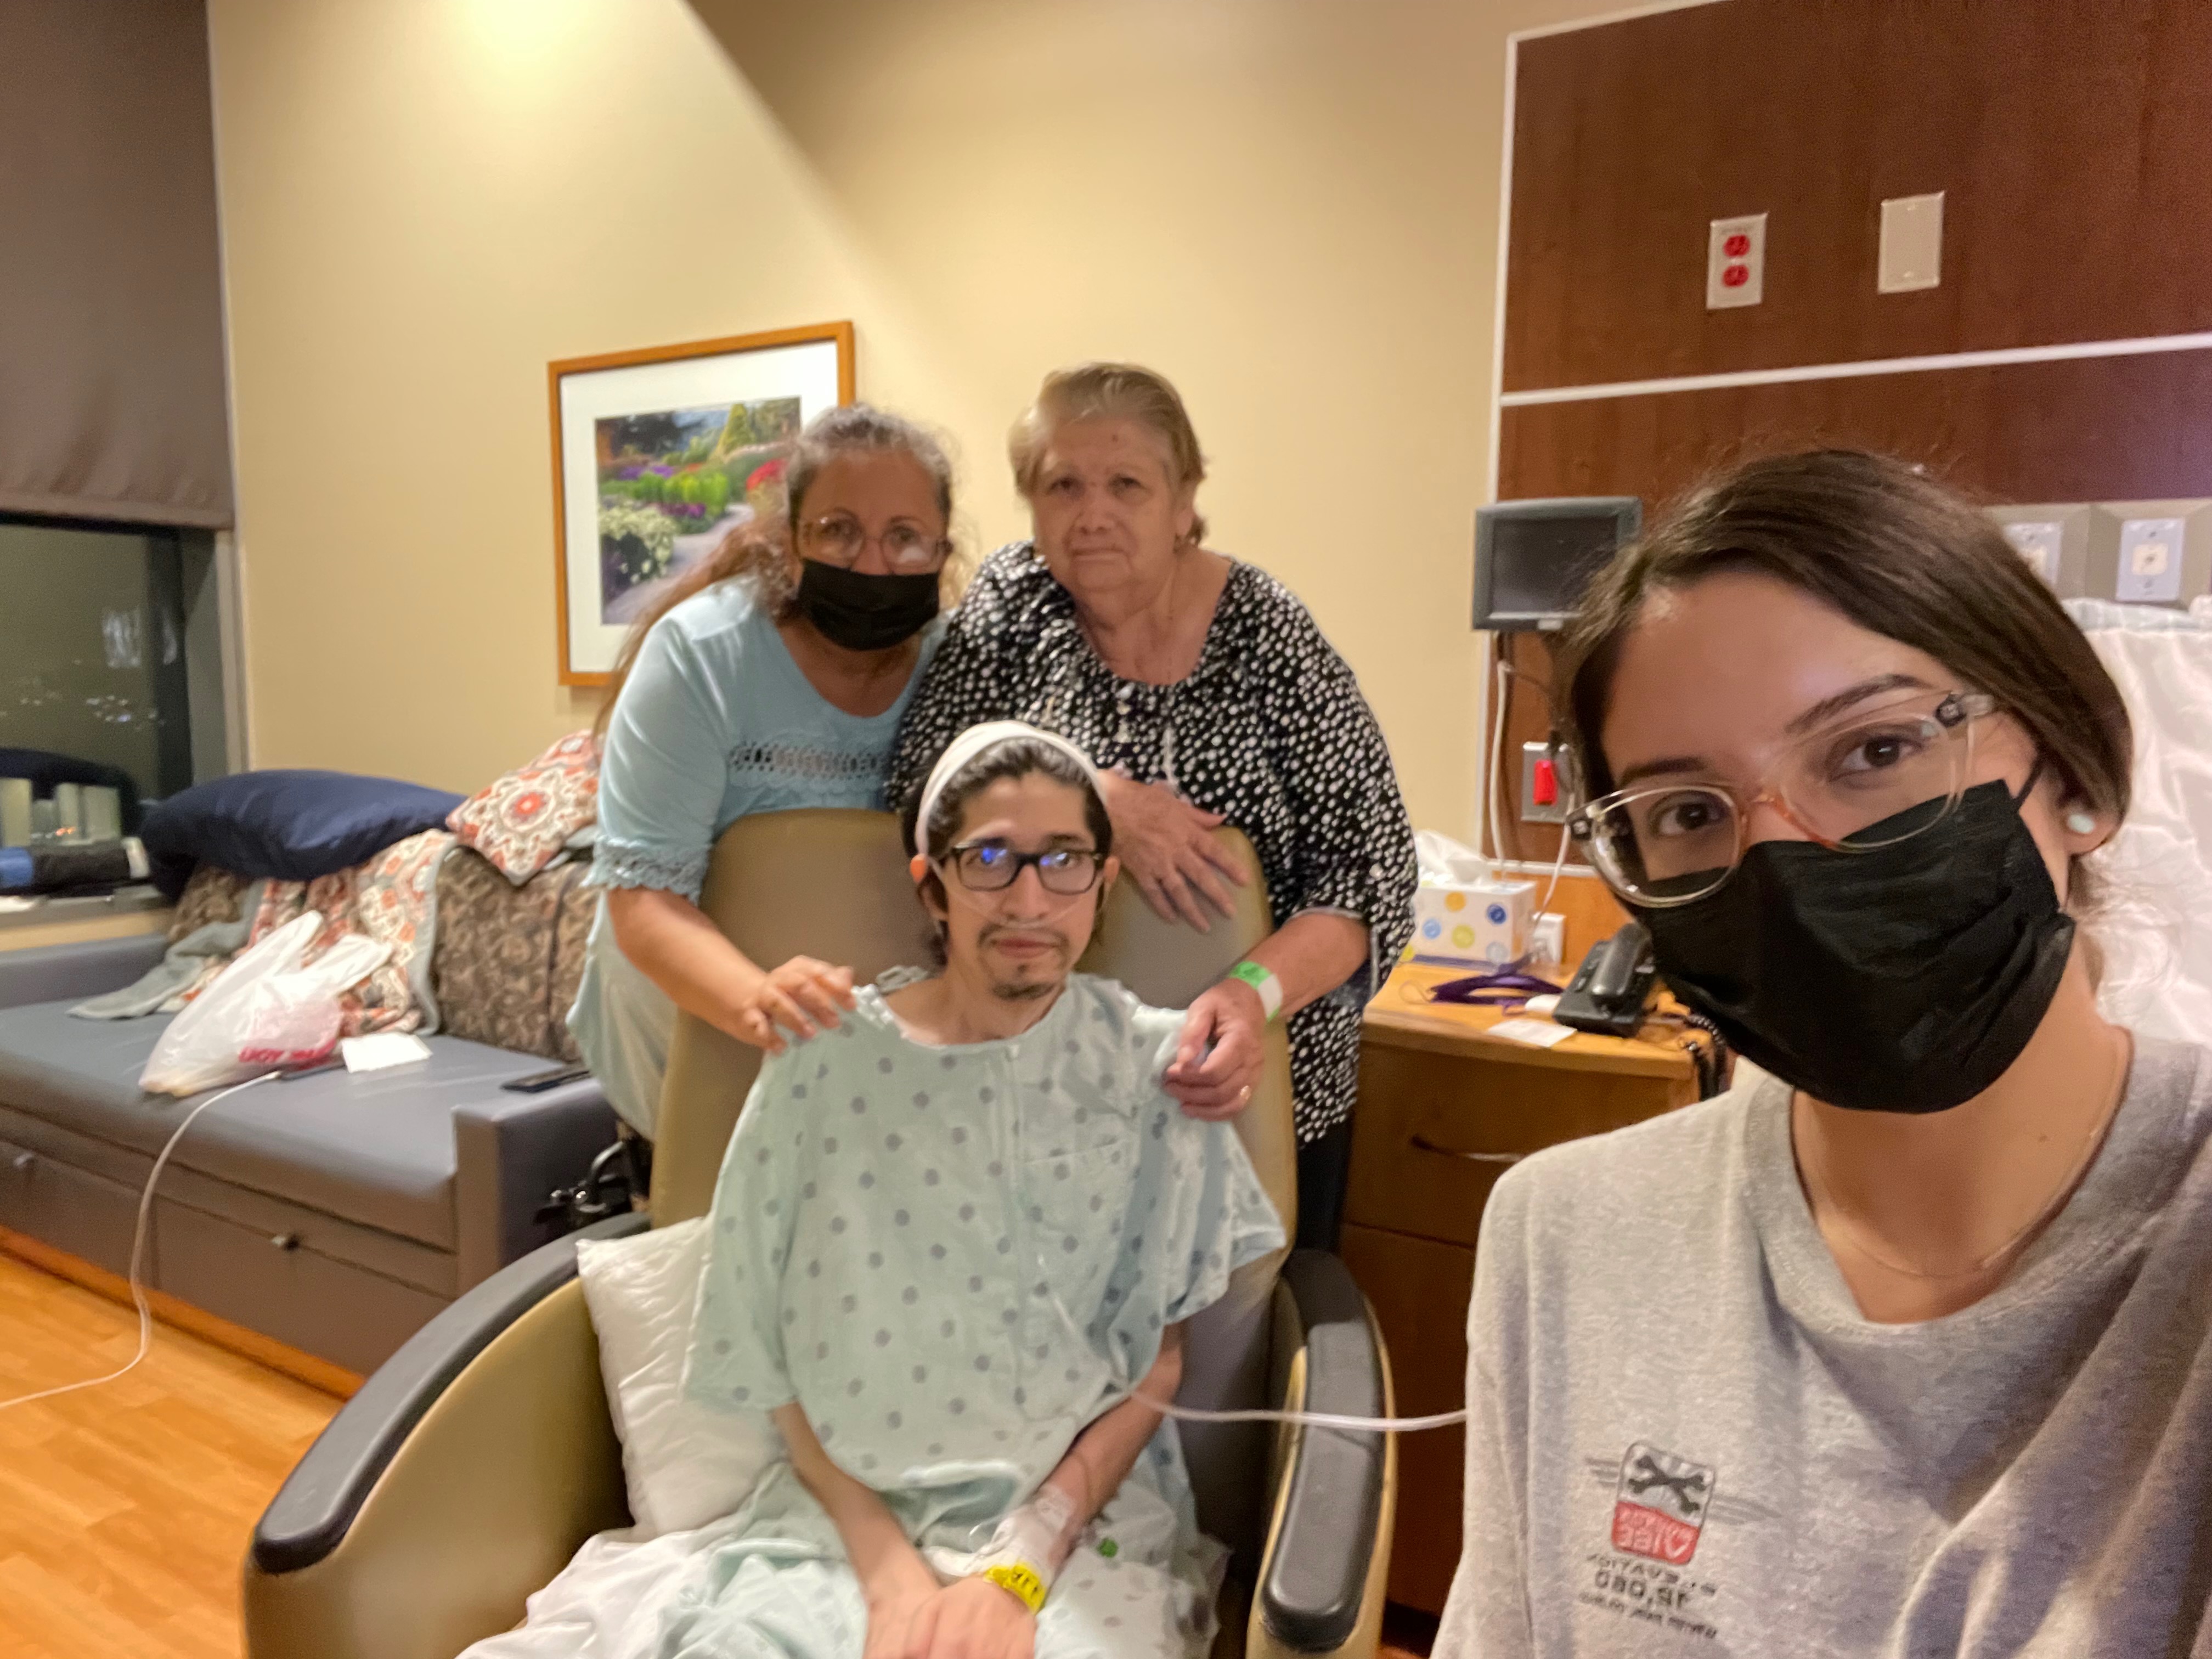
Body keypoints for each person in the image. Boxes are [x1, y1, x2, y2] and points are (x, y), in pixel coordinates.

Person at [1436, 451, 2212, 1657]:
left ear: (2081, 769)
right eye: (1689, 812)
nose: (1786, 867)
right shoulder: (1566, 1239)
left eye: (1875, 752)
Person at [664, 722, 1283, 1657]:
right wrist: (889, 1577)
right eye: (989, 859)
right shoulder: (822, 1060)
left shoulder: (1148, 1068)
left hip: (1077, 1532)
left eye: (1065, 860)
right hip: (837, 1527)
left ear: (1104, 882)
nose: (1030, 900)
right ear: (933, 885)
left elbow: (1157, 1363)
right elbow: (766, 1348)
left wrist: (1022, 1566)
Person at [887, 363, 1415, 1249]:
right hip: (1038, 1092)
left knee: (1239, 1320)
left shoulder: (1268, 634)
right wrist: (1091, 793)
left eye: (1127, 484)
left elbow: (1368, 877)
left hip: (1246, 1096)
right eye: (1063, 486)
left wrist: (1247, 998)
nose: (1092, 514)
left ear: (1183, 501)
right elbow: (922, 781)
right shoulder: (1014, 604)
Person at [570, 404, 959, 1136]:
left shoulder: (957, 665)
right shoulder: (702, 657)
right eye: (838, 530)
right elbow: (644, 903)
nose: (872, 564)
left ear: (943, 549)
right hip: (693, 1037)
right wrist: (761, 1001)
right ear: (791, 540)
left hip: (877, 1067)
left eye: (905, 538)